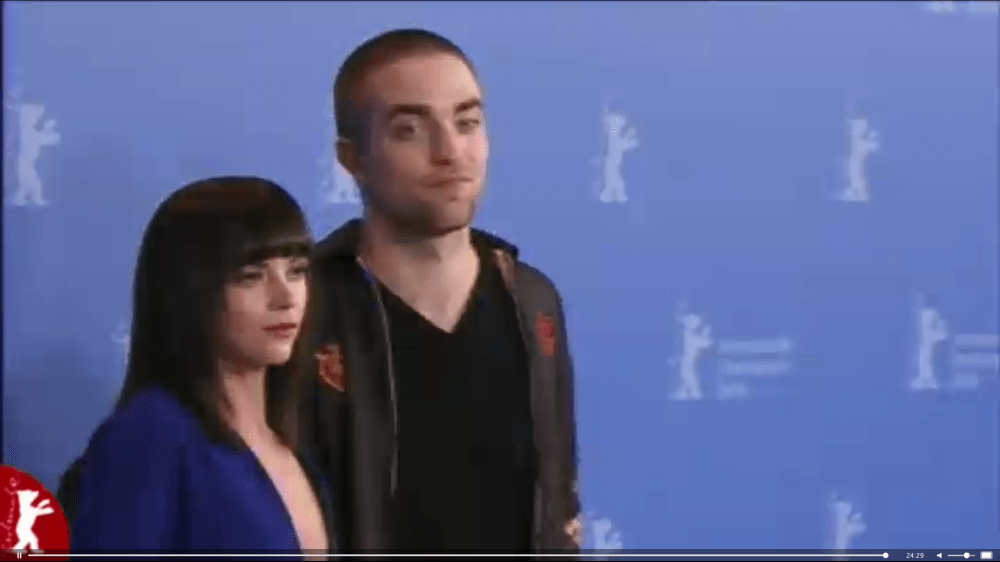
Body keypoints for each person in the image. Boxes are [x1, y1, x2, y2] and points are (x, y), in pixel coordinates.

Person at [300, 28, 581, 554]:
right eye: (409, 130)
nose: (450, 152)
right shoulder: (301, 309)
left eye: (467, 122)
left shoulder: (532, 300)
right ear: (353, 159)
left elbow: (558, 504)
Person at [58, 177, 334, 557]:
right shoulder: (151, 434)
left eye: (297, 271)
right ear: (191, 292)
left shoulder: (295, 443)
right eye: (251, 277)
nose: (286, 297)